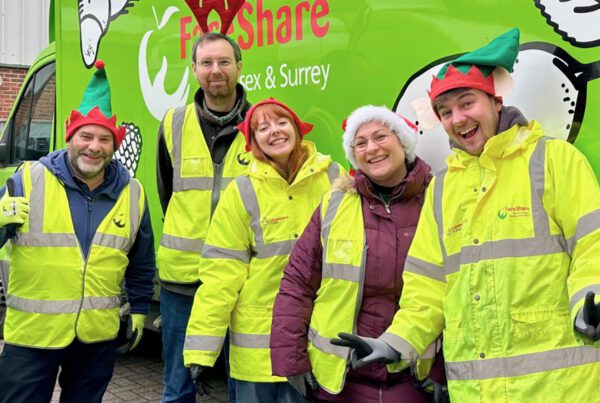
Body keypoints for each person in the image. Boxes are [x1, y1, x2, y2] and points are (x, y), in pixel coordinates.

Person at [334, 28, 600, 402]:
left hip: (559, 387)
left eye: (466, 103)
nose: (457, 118)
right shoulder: (443, 187)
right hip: (474, 390)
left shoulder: (552, 159)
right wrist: (398, 342)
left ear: (494, 101)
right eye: (445, 111)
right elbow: (428, 283)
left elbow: (593, 243)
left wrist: (593, 296)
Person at [0, 61, 155, 403]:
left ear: (115, 146)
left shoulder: (133, 193)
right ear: (70, 136)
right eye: (85, 136)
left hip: (95, 338)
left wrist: (141, 308)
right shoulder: (27, 180)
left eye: (104, 139)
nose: (93, 146)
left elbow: (142, 260)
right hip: (32, 337)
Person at [270, 105, 446, 402]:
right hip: (341, 380)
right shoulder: (335, 204)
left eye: (380, 137)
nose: (371, 148)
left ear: (403, 141)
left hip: (412, 377)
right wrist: (291, 359)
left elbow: (460, 289)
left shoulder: (438, 200)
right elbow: (296, 284)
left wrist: (444, 369)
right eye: (360, 143)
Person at [183, 98, 343, 402]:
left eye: (282, 122)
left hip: (315, 342)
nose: (274, 132)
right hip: (258, 354)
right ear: (252, 141)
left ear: (297, 129)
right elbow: (220, 276)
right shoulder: (241, 191)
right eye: (262, 128)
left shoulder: (333, 177)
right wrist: (202, 351)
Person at [155, 32, 251, 403]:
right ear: (194, 69)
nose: (216, 71)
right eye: (207, 63)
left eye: (225, 62)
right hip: (184, 280)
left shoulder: (261, 124)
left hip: (243, 281)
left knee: (242, 385)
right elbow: (168, 192)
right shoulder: (173, 123)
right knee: (177, 386)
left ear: (239, 68)